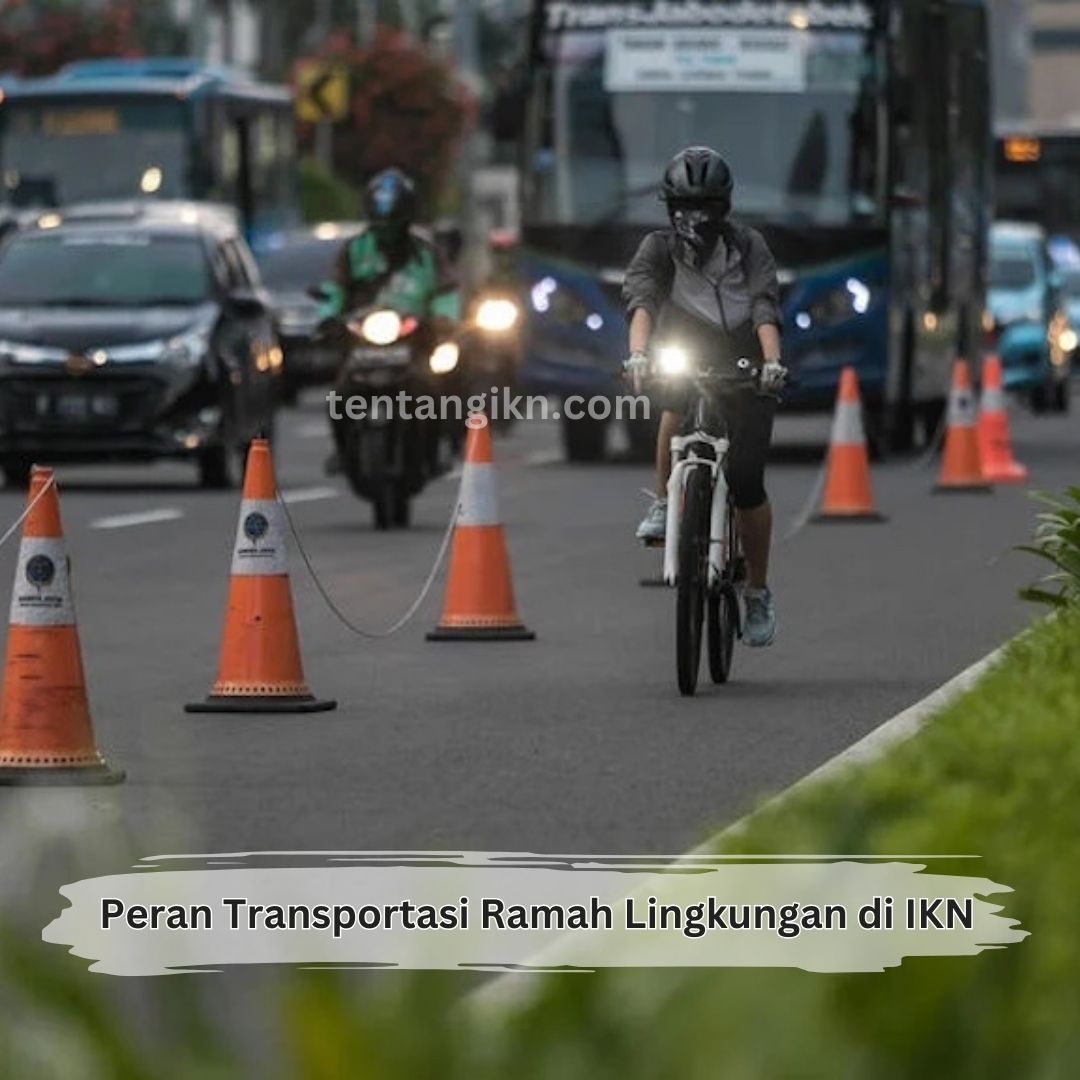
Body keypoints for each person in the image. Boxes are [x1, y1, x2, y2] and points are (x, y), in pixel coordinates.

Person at [622, 146, 787, 647]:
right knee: (674, 399)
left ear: (725, 207)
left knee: (745, 478)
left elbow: (764, 303)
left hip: (746, 350)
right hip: (689, 343)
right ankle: (665, 500)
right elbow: (643, 297)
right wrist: (637, 355)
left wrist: (772, 363)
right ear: (669, 208)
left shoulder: (749, 246)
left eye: (707, 207)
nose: (696, 217)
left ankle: (756, 591)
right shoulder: (657, 247)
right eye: (685, 207)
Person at [319, 167, 461, 473]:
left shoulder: (426, 252)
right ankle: (343, 452)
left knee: (432, 390)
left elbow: (446, 290)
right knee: (341, 394)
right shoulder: (354, 250)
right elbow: (335, 288)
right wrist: (328, 317)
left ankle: (435, 450)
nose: (386, 229)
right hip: (362, 337)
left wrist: (444, 318)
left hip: (414, 336)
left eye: (393, 220)